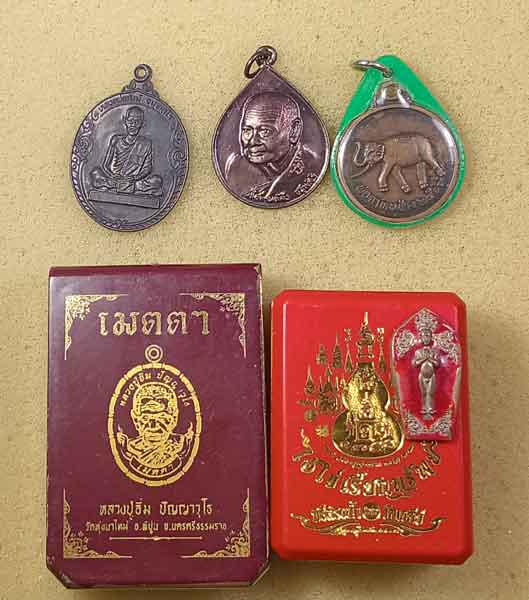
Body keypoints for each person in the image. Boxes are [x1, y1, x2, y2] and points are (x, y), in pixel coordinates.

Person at [225, 92, 319, 204]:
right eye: (247, 130)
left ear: (294, 130)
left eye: (265, 131)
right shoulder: (236, 168)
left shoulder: (312, 168)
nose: (253, 141)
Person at [117, 382, 193, 469]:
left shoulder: (181, 444)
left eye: (161, 417)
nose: (153, 426)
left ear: (174, 418)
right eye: (145, 418)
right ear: (136, 420)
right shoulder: (130, 447)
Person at [90, 106, 163, 196]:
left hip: (133, 181)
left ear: (142, 123)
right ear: (125, 121)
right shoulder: (116, 139)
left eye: (137, 121)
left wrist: (135, 177)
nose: (133, 125)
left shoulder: (146, 143)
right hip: (115, 179)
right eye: (130, 121)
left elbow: (147, 169)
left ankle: (119, 187)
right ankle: (129, 188)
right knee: (95, 173)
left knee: (157, 180)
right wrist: (112, 175)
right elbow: (105, 165)